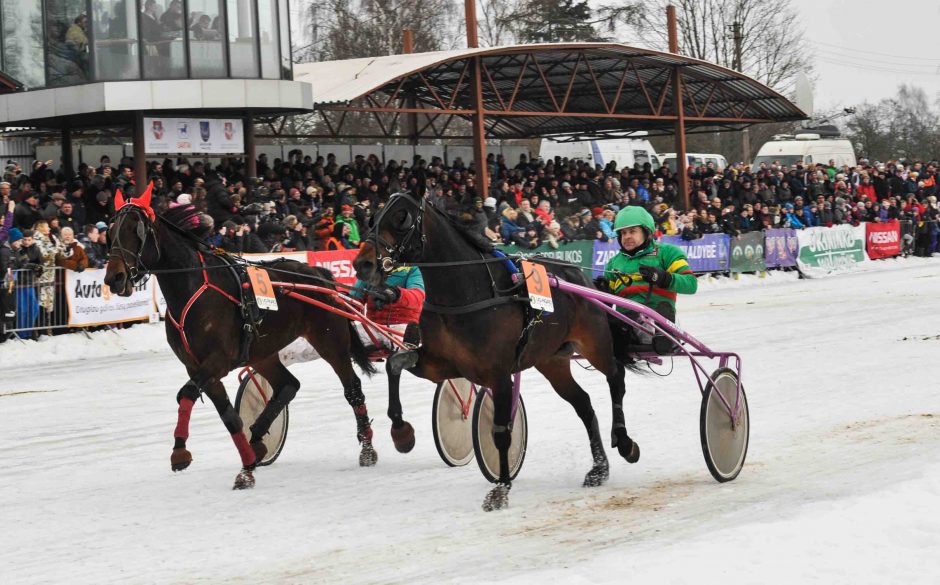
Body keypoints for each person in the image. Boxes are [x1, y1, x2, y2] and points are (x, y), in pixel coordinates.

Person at [600, 206, 698, 351]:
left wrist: (663, 277)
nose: (627, 236)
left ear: (646, 232)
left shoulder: (667, 253)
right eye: (623, 233)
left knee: (656, 315)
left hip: (657, 316)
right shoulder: (614, 263)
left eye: (632, 231)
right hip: (626, 321)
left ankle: (664, 337)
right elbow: (606, 301)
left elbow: (691, 284)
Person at [349, 265, 425, 375]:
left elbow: (417, 297)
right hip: (372, 328)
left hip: (402, 326)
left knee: (406, 341)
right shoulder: (370, 270)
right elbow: (353, 303)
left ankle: (409, 351)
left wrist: (396, 294)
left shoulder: (413, 270)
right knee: (342, 336)